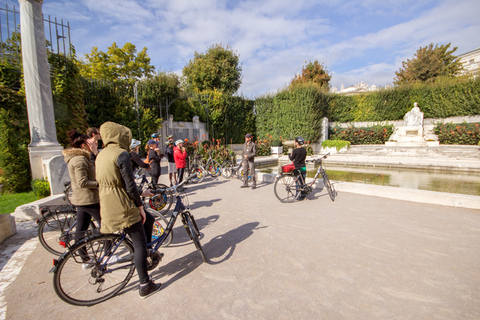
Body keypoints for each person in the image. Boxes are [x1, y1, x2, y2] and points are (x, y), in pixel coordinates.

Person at [95, 121, 161, 299]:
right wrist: (140, 206)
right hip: (123, 205)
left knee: (150, 219)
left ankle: (147, 253)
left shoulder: (101, 155)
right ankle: (145, 284)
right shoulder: (121, 154)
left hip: (108, 202)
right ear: (120, 135)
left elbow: (116, 183)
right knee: (138, 244)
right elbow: (129, 186)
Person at [63, 130, 101, 266]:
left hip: (83, 199)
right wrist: (100, 184)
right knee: (107, 227)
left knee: (81, 230)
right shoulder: (79, 159)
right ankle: (108, 253)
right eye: (89, 142)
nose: (93, 143)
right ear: (84, 145)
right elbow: (82, 182)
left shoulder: (82, 157)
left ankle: (85, 259)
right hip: (88, 199)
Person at [289, 136, 307, 200]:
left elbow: (291, 158)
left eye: (294, 141)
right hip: (303, 168)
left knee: (297, 182)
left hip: (297, 168)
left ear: (297, 143)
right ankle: (303, 195)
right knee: (303, 182)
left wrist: (289, 154)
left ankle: (297, 195)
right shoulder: (304, 150)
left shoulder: (295, 151)